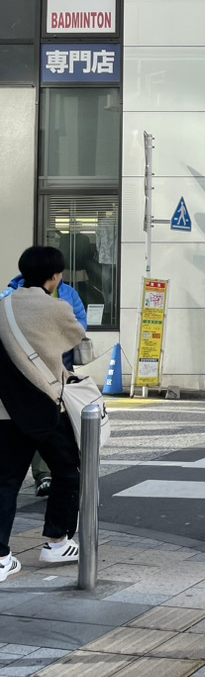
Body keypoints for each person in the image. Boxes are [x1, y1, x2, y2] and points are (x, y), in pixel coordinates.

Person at [0, 246, 87, 581]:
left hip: (6, 409)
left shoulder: (4, 303)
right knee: (67, 471)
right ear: (55, 277)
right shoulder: (58, 307)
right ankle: (56, 541)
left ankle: (2, 557)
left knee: (5, 482)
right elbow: (75, 336)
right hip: (47, 404)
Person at [7, 272, 86, 498]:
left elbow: (80, 324)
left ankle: (47, 478)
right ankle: (44, 478)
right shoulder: (9, 297)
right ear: (53, 275)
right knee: (47, 434)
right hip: (28, 382)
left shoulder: (68, 293)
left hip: (55, 375)